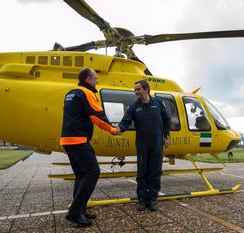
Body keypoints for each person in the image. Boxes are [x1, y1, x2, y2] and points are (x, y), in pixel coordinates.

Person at [60, 68, 118, 227]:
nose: (97, 81)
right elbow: (96, 116)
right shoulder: (86, 93)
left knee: (81, 175)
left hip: (67, 139)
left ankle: (80, 210)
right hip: (78, 139)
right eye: (95, 78)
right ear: (87, 79)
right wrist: (113, 129)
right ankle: (74, 212)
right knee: (93, 172)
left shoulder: (70, 93)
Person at [117, 80, 171, 211]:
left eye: (138, 89)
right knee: (142, 173)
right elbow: (125, 122)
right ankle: (142, 200)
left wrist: (167, 136)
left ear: (146, 89)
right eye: (135, 90)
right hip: (142, 145)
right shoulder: (134, 107)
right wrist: (118, 129)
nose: (136, 92)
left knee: (155, 172)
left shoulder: (158, 103)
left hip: (157, 144)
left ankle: (152, 200)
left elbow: (166, 119)